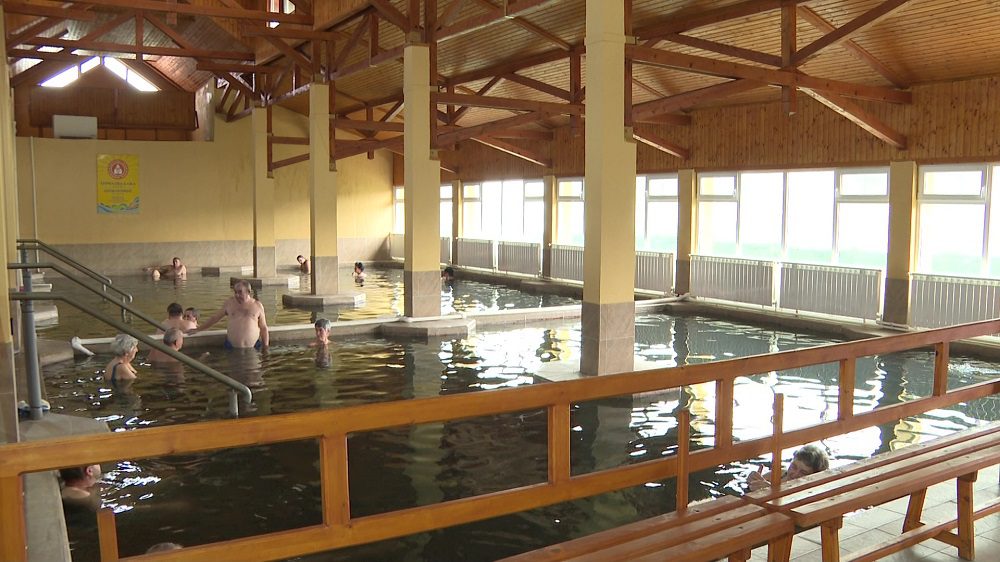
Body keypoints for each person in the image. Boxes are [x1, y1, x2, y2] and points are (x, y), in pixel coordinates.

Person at [195, 280, 269, 349]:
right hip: (232, 348)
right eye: (235, 292)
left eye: (240, 292)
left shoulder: (257, 305)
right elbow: (215, 318)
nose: (237, 295)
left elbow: (263, 328)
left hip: (253, 348)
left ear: (248, 292)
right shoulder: (229, 303)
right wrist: (198, 329)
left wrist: (266, 347)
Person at [747, 444, 829, 491]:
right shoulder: (781, 474)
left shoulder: (810, 491)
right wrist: (753, 480)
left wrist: (770, 491)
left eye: (803, 473)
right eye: (794, 466)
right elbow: (757, 483)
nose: (795, 474)